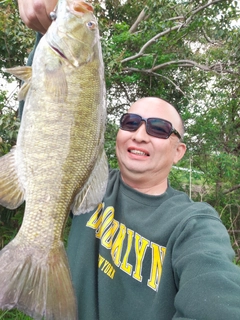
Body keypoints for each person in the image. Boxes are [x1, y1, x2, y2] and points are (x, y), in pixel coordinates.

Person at [16, 1, 240, 319]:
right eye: (131, 122)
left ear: (179, 151)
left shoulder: (195, 226)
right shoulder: (90, 186)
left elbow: (218, 297)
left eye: (159, 128)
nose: (140, 134)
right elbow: (43, 120)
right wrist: (45, 32)